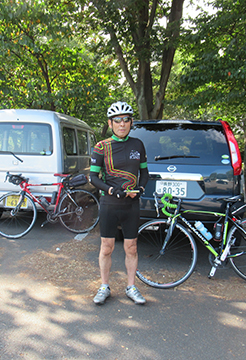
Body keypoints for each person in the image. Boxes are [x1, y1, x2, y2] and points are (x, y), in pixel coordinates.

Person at [89, 101, 149, 305]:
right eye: (117, 120)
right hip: (109, 204)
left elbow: (144, 172)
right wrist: (112, 190)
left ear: (131, 122)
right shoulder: (101, 147)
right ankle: (104, 286)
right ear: (110, 123)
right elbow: (94, 178)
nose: (122, 124)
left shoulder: (138, 145)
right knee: (107, 247)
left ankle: (131, 287)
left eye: (126, 120)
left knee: (131, 247)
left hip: (131, 204)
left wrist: (140, 189)